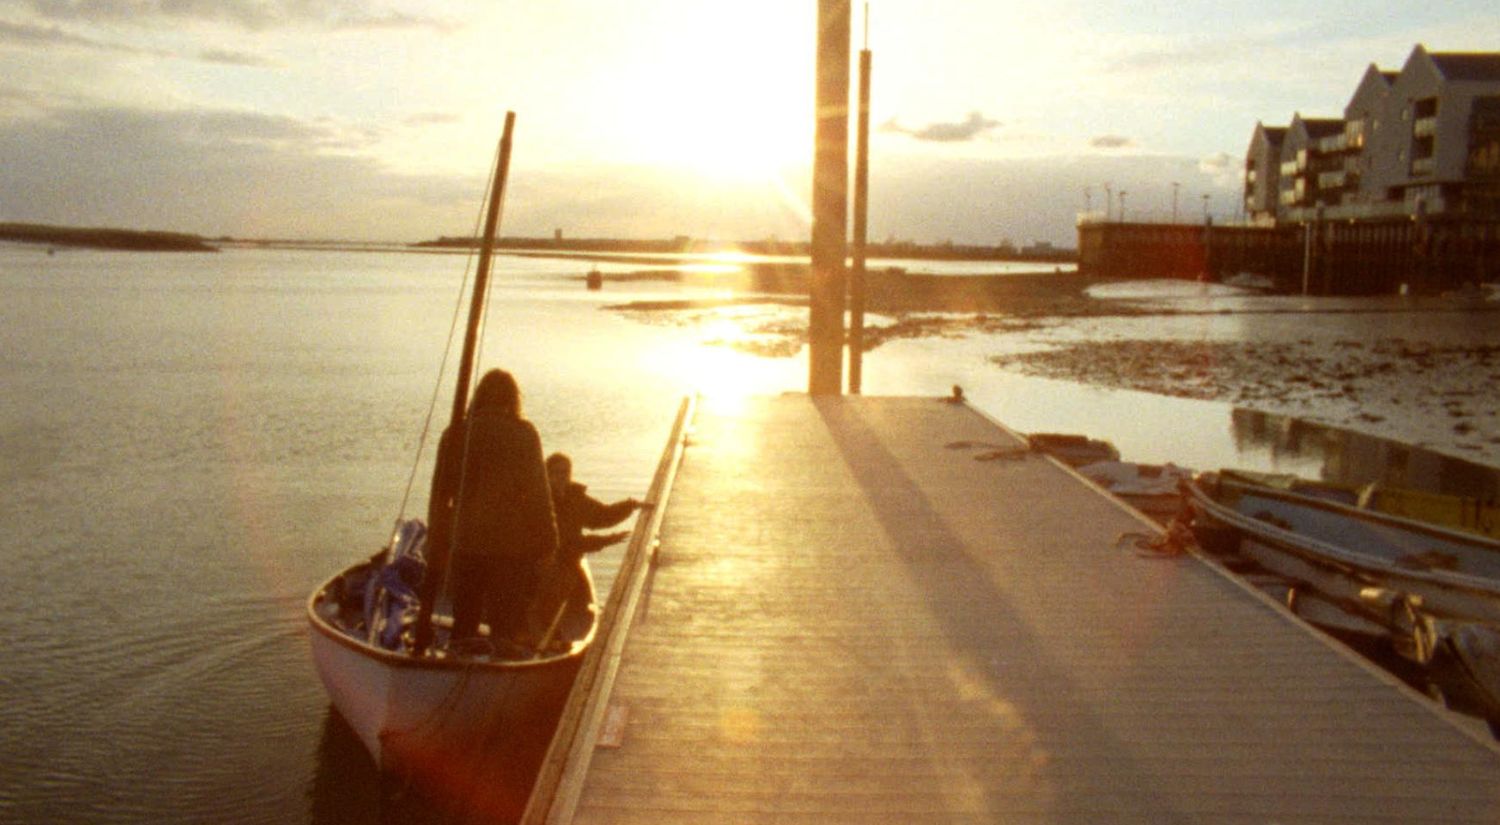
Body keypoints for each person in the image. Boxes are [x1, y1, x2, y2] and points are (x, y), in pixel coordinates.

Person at [428, 369, 558, 653]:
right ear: (513, 399)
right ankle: (499, 671)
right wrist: (549, 540)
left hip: (465, 543)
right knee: (503, 627)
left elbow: (440, 497)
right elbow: (539, 494)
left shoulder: (455, 433)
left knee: (464, 624)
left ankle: (458, 664)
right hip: (510, 547)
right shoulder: (524, 434)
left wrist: (436, 541)